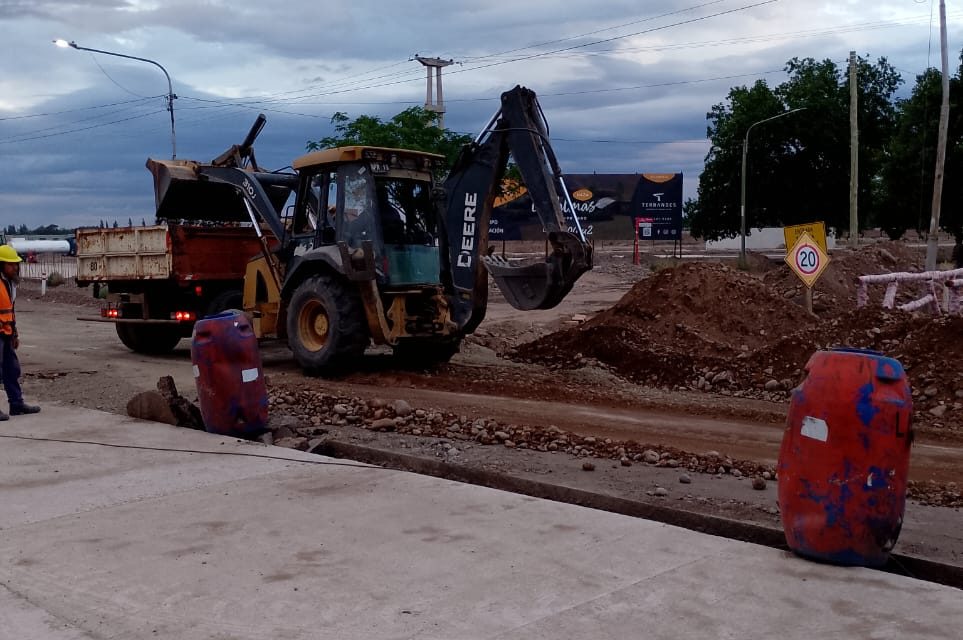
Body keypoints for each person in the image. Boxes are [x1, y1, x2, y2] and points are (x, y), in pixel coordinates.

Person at [0, 245, 40, 420]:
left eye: (16, 264)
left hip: (6, 332)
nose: (15, 268)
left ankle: (16, 404)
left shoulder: (10, 284)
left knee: (11, 369)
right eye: (11, 264)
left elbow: (10, 310)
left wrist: (14, 333)